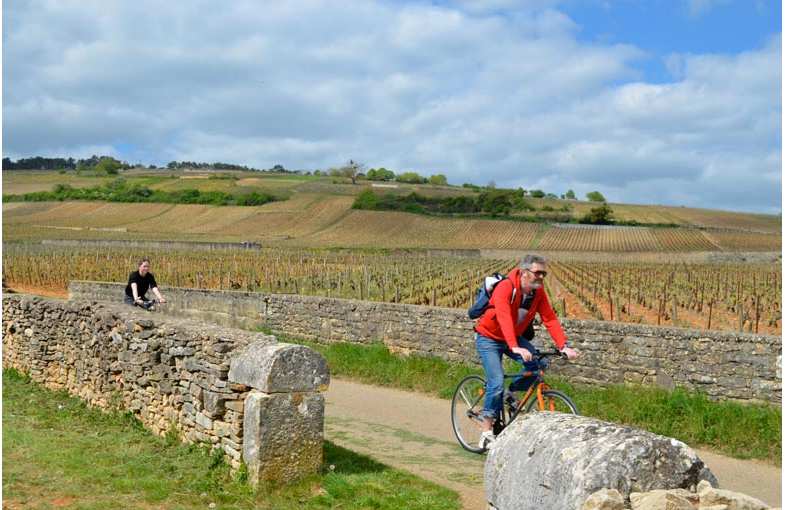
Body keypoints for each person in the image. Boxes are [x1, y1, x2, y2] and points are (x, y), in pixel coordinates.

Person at [474, 254, 578, 449]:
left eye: (543, 274)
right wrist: (515, 346)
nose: (541, 277)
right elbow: (504, 317)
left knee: (539, 365)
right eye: (538, 272)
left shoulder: (537, 293)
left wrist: (563, 346)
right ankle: (486, 431)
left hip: (511, 337)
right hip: (489, 337)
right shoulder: (506, 287)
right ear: (524, 272)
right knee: (495, 382)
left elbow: (550, 318)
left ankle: (510, 393)